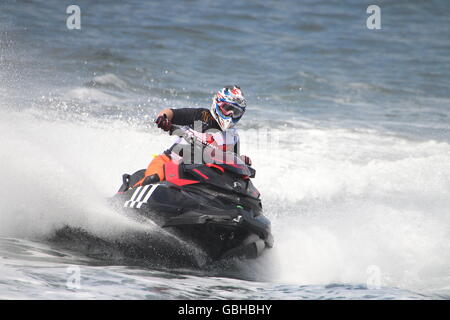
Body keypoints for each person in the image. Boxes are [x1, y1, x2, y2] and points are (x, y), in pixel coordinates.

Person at [133, 85, 252, 188]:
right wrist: (163, 118)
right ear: (218, 103)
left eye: (235, 112)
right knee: (153, 178)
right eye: (228, 108)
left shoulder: (233, 135)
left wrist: (241, 159)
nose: (231, 114)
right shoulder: (200, 115)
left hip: (204, 172)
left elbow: (231, 159)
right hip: (171, 161)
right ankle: (132, 191)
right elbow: (170, 113)